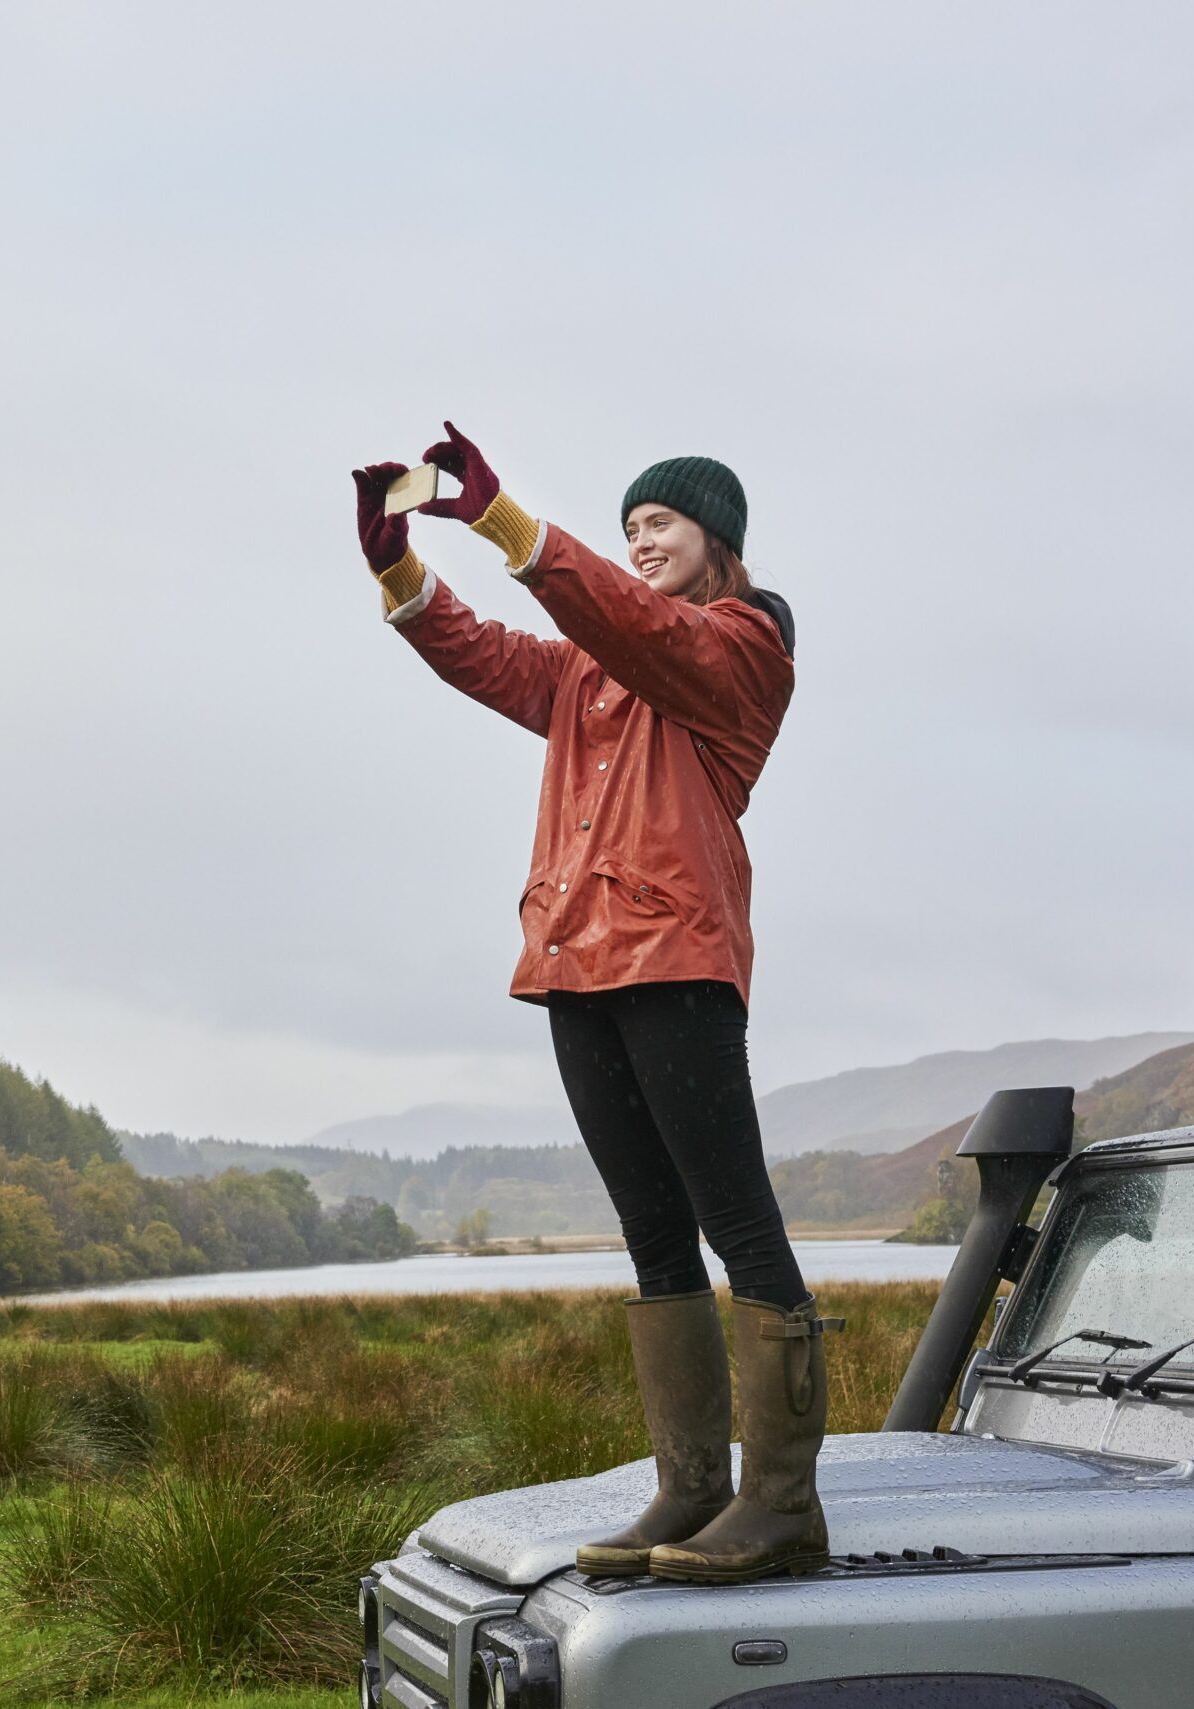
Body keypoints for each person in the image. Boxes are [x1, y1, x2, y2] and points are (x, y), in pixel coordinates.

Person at [350, 424, 841, 1585]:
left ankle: (781, 1504)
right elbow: (483, 652)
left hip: (675, 956)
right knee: (652, 1230)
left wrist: (505, 519)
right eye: (627, 529)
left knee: (739, 1219)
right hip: (575, 965)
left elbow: (642, 626)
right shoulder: (588, 668)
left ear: (714, 540)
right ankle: (689, 1487)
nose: (639, 540)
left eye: (658, 523)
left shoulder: (745, 641)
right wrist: (396, 567)